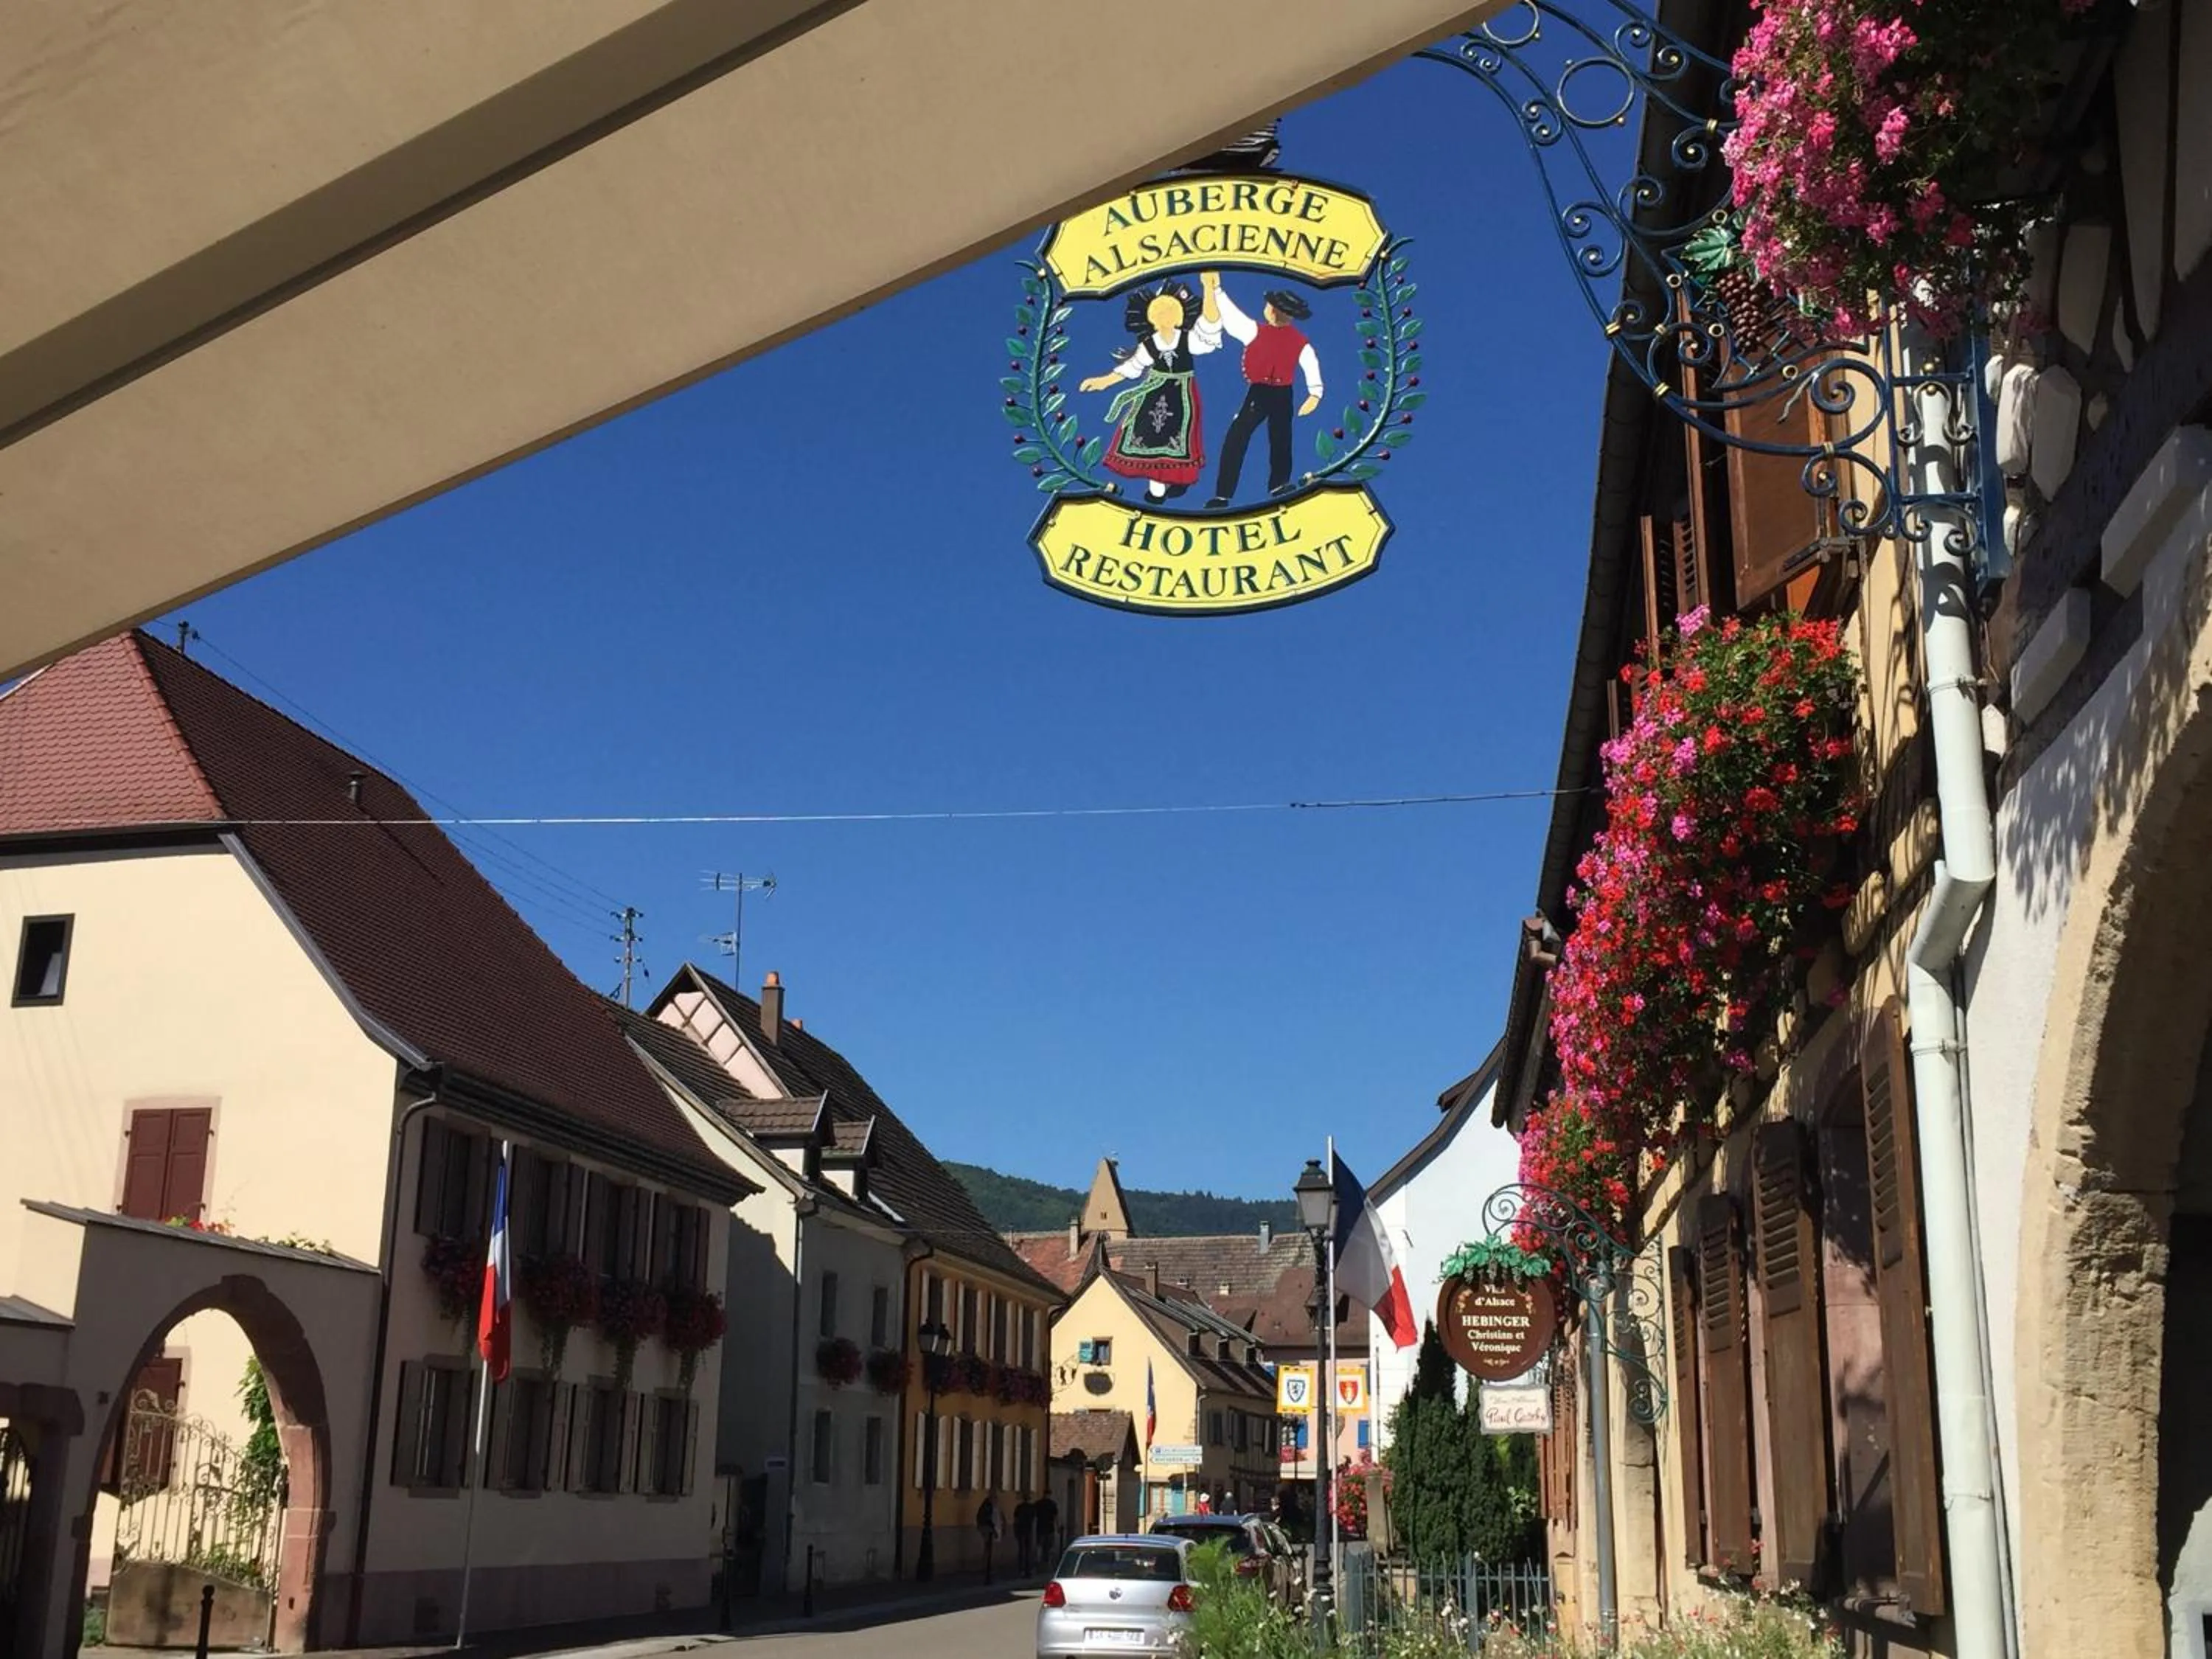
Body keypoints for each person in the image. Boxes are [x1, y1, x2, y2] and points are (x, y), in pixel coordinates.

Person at [1078, 280, 1223, 501]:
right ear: (1152, 319)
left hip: (1182, 396)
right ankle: (1157, 490)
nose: (1165, 316)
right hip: (1153, 396)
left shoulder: (1189, 339)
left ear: (1179, 316)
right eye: (1160, 312)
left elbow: (1210, 327)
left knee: (1178, 438)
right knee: (1150, 438)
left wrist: (1208, 290)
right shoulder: (1149, 345)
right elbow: (1132, 367)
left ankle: (1179, 479)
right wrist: (1104, 381)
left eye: (1170, 311)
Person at [1202, 275, 1324, 507]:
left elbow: (1310, 363)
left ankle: (1278, 484)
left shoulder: (1296, 341)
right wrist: (1216, 290)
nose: (1266, 309)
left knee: (1279, 438)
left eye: (1269, 306)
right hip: (1261, 393)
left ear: (1275, 311)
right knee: (1238, 436)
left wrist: (1315, 393)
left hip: (1281, 393)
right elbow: (1232, 317)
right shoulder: (1257, 331)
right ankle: (1223, 493)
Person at [976, 1492, 1002, 1583]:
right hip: (987, 1528)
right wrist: (994, 1530)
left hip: (983, 1527)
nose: (996, 1501)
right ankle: (987, 1568)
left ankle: (987, 1567)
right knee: (988, 1548)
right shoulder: (988, 1506)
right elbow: (989, 1519)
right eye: (995, 1499)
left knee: (987, 1548)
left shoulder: (984, 1505)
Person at [1012, 1492, 1037, 1576]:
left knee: (1022, 1550)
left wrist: (1015, 1530)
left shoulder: (1019, 1507)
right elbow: (1034, 1519)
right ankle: (1028, 1569)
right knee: (1028, 1550)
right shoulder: (1032, 1508)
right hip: (1029, 1530)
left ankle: (1022, 1569)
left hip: (1021, 1530)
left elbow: (1016, 1519)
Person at [1035, 1488, 1060, 1562]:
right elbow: (1056, 1517)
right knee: (1049, 1545)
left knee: (1040, 1545)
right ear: (1050, 1495)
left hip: (1040, 1526)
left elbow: (1035, 1516)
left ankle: (1039, 1560)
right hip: (1050, 1527)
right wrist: (1058, 1526)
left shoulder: (1038, 1503)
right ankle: (1048, 1561)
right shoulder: (1052, 1504)